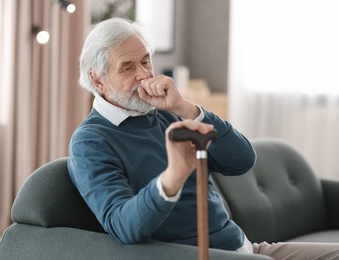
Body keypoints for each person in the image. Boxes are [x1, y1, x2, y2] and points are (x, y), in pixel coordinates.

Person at [67, 17, 339, 259]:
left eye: (146, 61)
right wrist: (173, 176)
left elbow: (242, 160)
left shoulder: (166, 114)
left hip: (245, 247)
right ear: (98, 80)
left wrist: (185, 108)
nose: (144, 75)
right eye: (127, 68)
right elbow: (123, 226)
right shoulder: (91, 141)